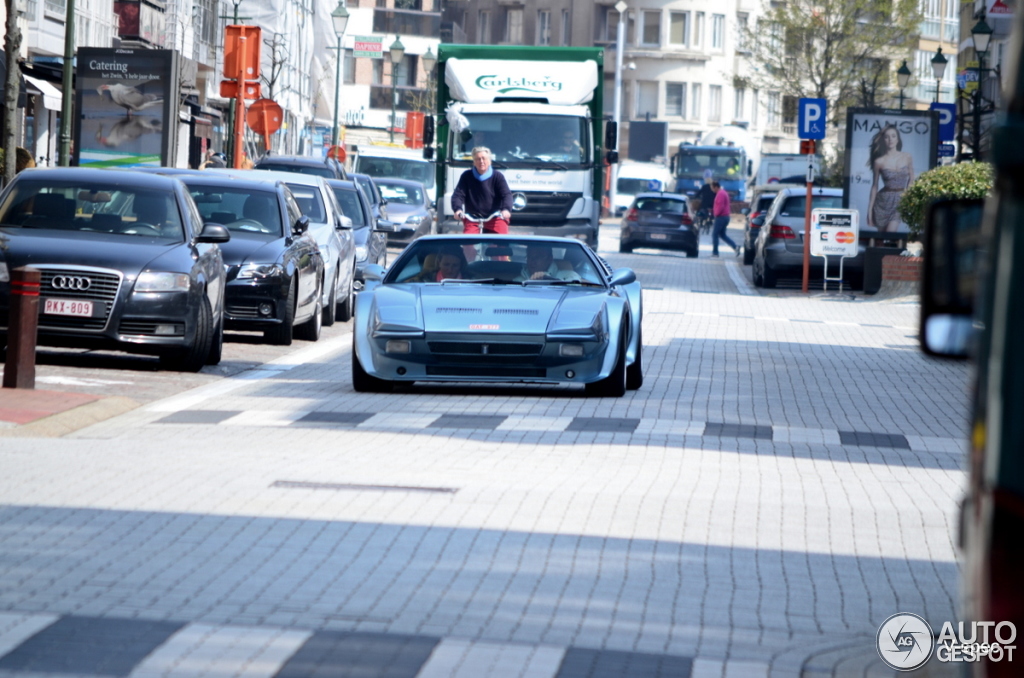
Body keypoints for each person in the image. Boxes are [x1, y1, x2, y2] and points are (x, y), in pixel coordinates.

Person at [451, 147, 513, 234]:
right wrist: (457, 210)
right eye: (478, 159)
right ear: (474, 162)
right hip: (472, 218)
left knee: (501, 243)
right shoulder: (466, 176)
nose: (481, 161)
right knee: (467, 243)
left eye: (484, 158)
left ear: (489, 161)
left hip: (494, 217)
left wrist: (506, 209)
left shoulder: (498, 176)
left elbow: (506, 195)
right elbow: (458, 195)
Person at [866, 124, 914, 232]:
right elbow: (874, 186)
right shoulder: (879, 161)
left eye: (893, 136)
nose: (890, 139)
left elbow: (911, 178)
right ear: (883, 140)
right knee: (881, 240)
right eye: (887, 137)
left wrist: (907, 197)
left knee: (891, 233)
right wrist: (869, 212)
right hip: (883, 202)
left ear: (898, 139)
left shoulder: (907, 157)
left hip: (900, 201)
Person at [514, 245, 582, 282]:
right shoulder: (519, 281)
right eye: (529, 257)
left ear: (550, 259)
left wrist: (547, 278)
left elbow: (576, 287)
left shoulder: (569, 275)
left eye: (537, 257)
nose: (532, 261)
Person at [711, 181, 739, 257]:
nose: (712, 190)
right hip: (725, 216)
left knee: (715, 234)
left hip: (721, 217)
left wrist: (716, 214)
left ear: (716, 187)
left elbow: (720, 206)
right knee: (722, 235)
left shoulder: (720, 194)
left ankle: (715, 252)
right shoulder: (723, 193)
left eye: (712, 188)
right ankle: (735, 247)